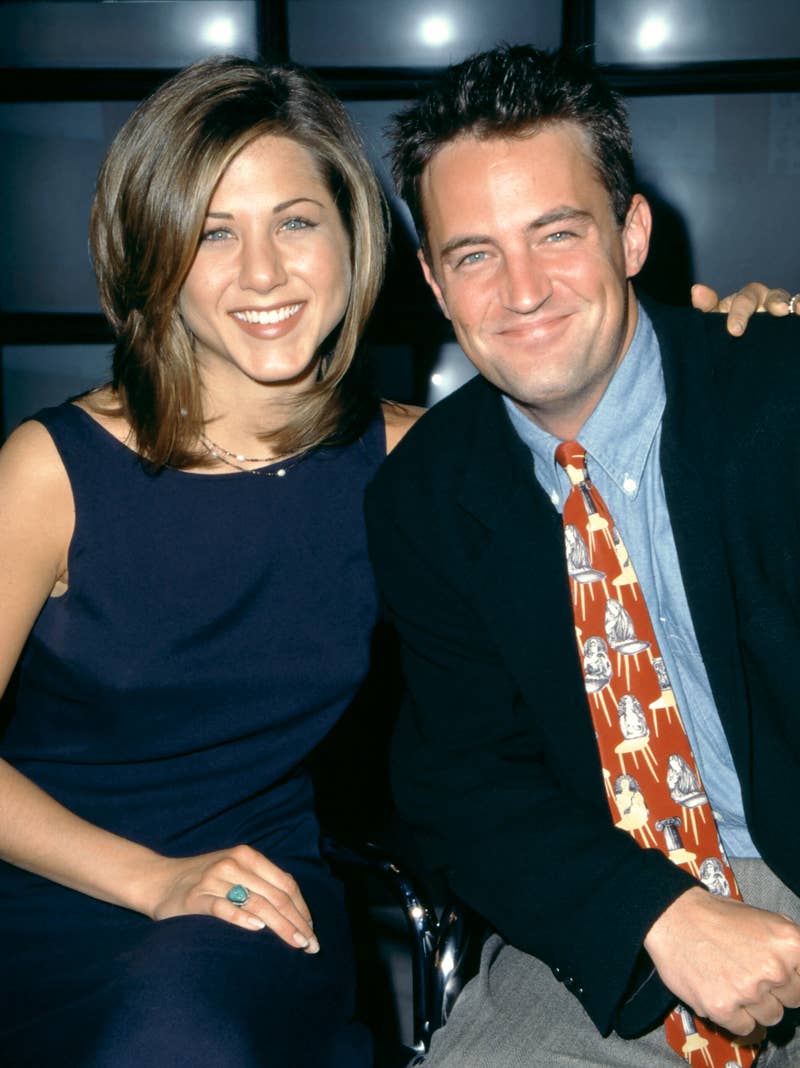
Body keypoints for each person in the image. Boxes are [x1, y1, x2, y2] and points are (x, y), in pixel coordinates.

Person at [365, 45, 800, 1068]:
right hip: (614, 903)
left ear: (631, 233)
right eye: (473, 254)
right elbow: (463, 779)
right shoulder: (425, 494)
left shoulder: (776, 392)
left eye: (555, 234)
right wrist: (659, 914)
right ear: (431, 281)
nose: (521, 291)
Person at [0, 56, 423, 1067]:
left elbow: (621, 519)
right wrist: (149, 878)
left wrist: (740, 357)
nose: (263, 273)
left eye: (294, 220)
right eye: (211, 232)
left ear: (350, 235)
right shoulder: (52, 471)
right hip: (43, 893)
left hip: (244, 901)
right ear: (152, 255)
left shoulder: (409, 461)